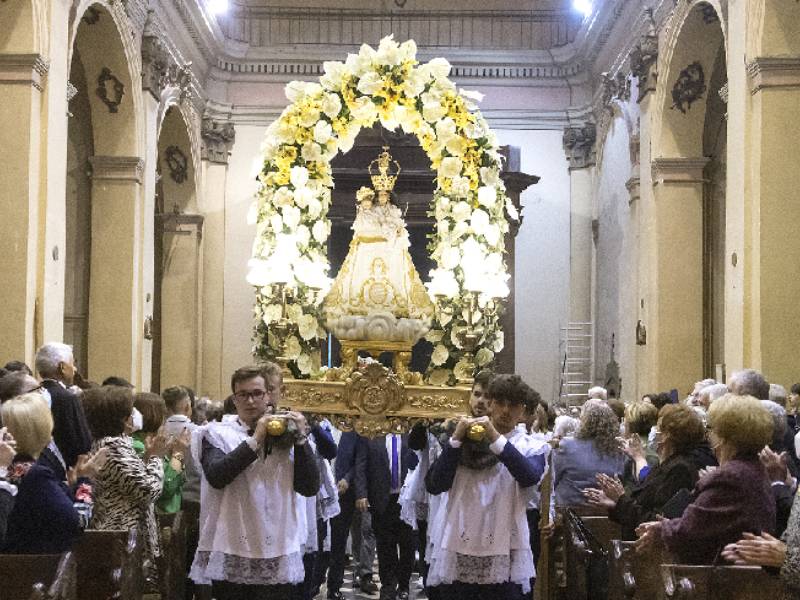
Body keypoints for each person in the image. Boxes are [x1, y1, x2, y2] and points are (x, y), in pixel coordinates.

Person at [190, 364, 320, 600]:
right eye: (243, 395)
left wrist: (301, 440)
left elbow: (309, 487)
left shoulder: (289, 434)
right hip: (232, 547)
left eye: (257, 393)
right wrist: (256, 439)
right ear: (235, 398)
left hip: (278, 547)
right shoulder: (216, 433)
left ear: (268, 395)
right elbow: (218, 476)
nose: (251, 401)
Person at [425, 374, 547, 600]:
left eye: (513, 405)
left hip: (504, 550)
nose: (505, 411)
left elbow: (529, 476)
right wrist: (454, 442)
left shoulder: (531, 446)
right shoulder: (463, 440)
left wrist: (494, 437)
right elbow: (434, 484)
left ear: (522, 411)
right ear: (490, 404)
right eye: (500, 402)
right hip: (459, 546)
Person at [636, 394, 775, 564]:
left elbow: (693, 527)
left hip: (720, 574)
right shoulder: (755, 468)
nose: (709, 436)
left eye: (712, 429)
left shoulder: (730, 476)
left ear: (724, 435)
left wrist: (664, 529)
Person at [83, 385, 166, 588]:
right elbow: (148, 490)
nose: (135, 414)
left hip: (123, 534)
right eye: (130, 410)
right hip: (121, 533)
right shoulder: (113, 446)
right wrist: (156, 458)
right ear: (120, 417)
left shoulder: (117, 443)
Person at [583, 403, 707, 539]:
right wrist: (615, 504)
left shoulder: (679, 469)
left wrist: (620, 499)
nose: (655, 431)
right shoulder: (669, 463)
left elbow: (656, 518)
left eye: (659, 427)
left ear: (667, 435)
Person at [1, 393, 102, 554]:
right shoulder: (35, 474)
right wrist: (85, 481)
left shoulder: (11, 467)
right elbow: (77, 522)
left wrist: (71, 485)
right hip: (36, 567)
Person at [355, 431, 419, 600]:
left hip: (406, 500)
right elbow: (361, 464)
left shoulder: (410, 435)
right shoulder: (371, 434)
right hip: (382, 500)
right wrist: (361, 494)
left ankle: (404, 585)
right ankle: (388, 586)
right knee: (385, 546)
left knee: (408, 545)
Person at [552, 400, 626, 506]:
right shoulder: (619, 449)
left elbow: (553, 479)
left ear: (584, 422)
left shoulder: (567, 445)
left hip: (569, 510)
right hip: (608, 512)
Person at [35, 342, 92, 469]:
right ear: (62, 367)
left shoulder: (31, 394)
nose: (75, 369)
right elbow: (82, 442)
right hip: (63, 469)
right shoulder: (67, 398)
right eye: (72, 363)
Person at [133, 392, 188, 514]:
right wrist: (177, 454)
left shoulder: (152, 441)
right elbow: (167, 486)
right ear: (155, 416)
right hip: (160, 513)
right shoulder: (138, 446)